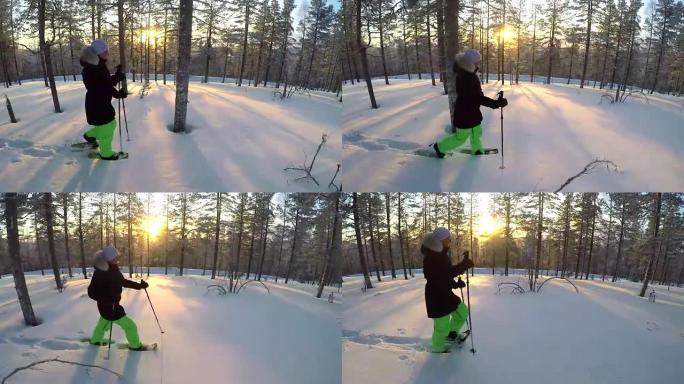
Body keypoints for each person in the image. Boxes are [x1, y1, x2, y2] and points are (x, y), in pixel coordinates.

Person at [433, 49, 509, 158]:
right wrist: (496, 104)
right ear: (470, 62)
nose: (478, 63)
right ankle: (440, 147)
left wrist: (496, 103)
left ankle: (477, 149)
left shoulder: (469, 73)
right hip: (464, 114)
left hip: (472, 112)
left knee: (476, 132)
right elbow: (477, 98)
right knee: (461, 138)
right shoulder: (466, 77)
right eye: (477, 62)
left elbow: (477, 95)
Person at [421, 227, 474, 353]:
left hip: (445, 294)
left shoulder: (441, 254)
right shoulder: (431, 257)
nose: (450, 240)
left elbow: (444, 276)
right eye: (447, 238)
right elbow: (442, 275)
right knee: (442, 326)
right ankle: (438, 349)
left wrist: (455, 284)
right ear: (439, 240)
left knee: (462, 311)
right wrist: (463, 265)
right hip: (436, 297)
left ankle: (451, 335)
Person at [87, 246, 149, 350]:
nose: (117, 260)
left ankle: (95, 341)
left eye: (117, 257)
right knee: (130, 326)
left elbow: (123, 282)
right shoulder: (100, 272)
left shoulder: (113, 269)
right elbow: (91, 292)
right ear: (107, 259)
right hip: (109, 306)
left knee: (104, 323)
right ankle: (135, 346)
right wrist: (105, 299)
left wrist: (140, 286)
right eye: (114, 258)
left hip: (110, 305)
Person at [79, 39, 127, 160]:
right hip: (96, 105)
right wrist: (116, 79)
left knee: (111, 123)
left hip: (102, 103)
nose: (107, 53)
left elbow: (105, 83)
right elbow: (101, 86)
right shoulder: (90, 68)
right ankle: (106, 153)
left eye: (107, 51)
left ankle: (90, 135)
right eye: (105, 51)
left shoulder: (99, 65)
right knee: (106, 130)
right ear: (97, 53)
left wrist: (116, 80)